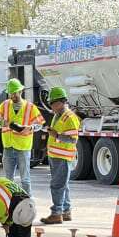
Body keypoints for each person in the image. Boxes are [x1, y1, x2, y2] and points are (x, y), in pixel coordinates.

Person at [0, 78, 44, 196]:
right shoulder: (4, 105)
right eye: (11, 93)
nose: (12, 95)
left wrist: (30, 128)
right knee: (8, 180)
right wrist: (2, 123)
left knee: (25, 179)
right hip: (8, 147)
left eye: (15, 92)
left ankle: (27, 201)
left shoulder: (30, 107)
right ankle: (10, 202)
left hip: (23, 148)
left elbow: (39, 124)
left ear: (21, 92)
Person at [40, 86, 81, 225]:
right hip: (56, 155)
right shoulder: (58, 115)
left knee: (57, 185)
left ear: (61, 102)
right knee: (63, 185)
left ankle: (56, 213)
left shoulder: (69, 117)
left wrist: (56, 135)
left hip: (62, 157)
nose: (51, 107)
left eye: (53, 103)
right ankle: (66, 211)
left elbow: (72, 139)